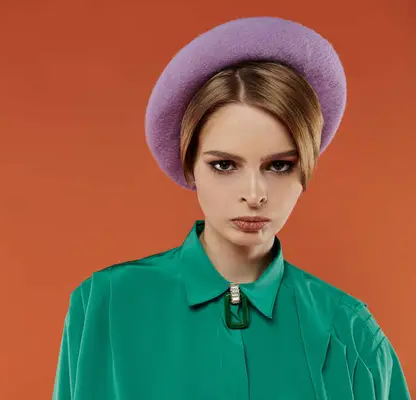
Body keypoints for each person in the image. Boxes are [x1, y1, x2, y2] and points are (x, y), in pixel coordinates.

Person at [51, 16, 410, 399]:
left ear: (305, 169)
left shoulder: (349, 333)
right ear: (190, 166)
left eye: (278, 165)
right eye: (224, 165)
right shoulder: (105, 305)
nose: (254, 194)